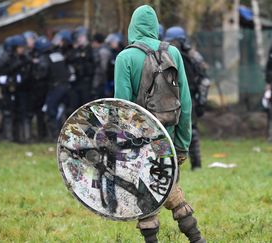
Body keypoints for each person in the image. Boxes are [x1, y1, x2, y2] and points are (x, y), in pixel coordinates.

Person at [114, 5, 205, 243]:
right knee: (166, 183)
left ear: (132, 26)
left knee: (146, 192)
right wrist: (183, 144)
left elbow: (122, 109)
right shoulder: (172, 53)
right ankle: (196, 238)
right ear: (155, 26)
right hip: (167, 139)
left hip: (139, 141)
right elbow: (185, 104)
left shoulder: (125, 58)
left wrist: (121, 149)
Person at [164, 26, 210, 170]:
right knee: (167, 132)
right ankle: (170, 167)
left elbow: (204, 80)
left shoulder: (193, 56)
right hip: (169, 98)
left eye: (175, 41)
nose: (173, 44)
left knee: (191, 130)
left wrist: (201, 101)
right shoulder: (164, 54)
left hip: (189, 97)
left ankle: (196, 164)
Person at [66, 27, 95, 114]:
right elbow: (69, 59)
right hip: (77, 81)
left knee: (86, 107)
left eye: (82, 37)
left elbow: (92, 65)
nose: (80, 39)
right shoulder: (76, 50)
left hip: (87, 82)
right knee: (75, 106)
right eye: (79, 37)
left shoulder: (90, 49)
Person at [29, 36, 53, 140]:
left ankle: (42, 134)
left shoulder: (42, 59)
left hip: (41, 89)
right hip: (45, 89)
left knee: (40, 112)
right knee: (41, 113)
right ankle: (42, 134)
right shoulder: (49, 57)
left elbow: (40, 75)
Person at [91, 33, 112, 99]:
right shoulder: (99, 50)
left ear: (96, 42)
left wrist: (100, 82)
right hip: (99, 81)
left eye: (93, 42)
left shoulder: (103, 51)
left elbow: (104, 68)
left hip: (102, 82)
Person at [105, 33, 125, 98]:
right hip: (111, 81)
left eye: (112, 42)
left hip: (119, 82)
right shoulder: (112, 52)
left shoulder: (123, 52)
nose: (111, 45)